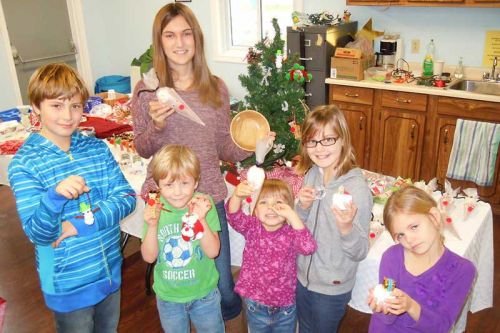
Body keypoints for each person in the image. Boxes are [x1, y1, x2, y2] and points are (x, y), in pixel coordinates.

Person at [131, 3, 251, 320]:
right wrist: (156, 126)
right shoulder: (147, 91)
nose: (180, 43)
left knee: (223, 285)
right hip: (167, 200)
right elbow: (142, 148)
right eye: (170, 35)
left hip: (207, 197)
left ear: (196, 38)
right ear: (160, 42)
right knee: (178, 280)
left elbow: (225, 146)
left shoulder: (216, 88)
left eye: (186, 33)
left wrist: (250, 143)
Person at [7, 63, 136, 332]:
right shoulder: (25, 164)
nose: (67, 115)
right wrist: (53, 198)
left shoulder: (96, 148)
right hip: (67, 283)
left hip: (109, 269)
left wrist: (79, 224)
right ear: (36, 107)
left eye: (75, 106)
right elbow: (39, 234)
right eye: (56, 105)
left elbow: (126, 197)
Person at [294, 105, 373, 332]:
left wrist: (346, 226)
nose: (319, 148)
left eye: (328, 139)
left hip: (332, 286)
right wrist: (302, 207)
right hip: (302, 277)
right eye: (312, 141)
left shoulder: (356, 188)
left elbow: (359, 251)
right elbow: (299, 227)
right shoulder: (312, 174)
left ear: (343, 140)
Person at [368, 186, 476, 333]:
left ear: (434, 217)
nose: (409, 239)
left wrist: (411, 306)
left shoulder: (462, 270)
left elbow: (441, 326)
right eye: (400, 235)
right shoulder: (392, 258)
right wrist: (382, 306)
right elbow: (387, 310)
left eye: (413, 227)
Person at [141, 144, 224, 333]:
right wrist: (152, 225)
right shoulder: (154, 208)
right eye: (169, 185)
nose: (177, 192)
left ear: (196, 182)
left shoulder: (204, 204)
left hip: (204, 295)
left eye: (184, 183)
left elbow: (213, 251)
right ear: (158, 185)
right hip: (169, 297)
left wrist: (201, 219)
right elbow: (149, 257)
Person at [226, 179, 317, 332]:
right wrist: (236, 195)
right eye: (263, 202)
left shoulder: (291, 232)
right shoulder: (252, 227)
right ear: (254, 210)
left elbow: (308, 247)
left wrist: (292, 216)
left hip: (286, 308)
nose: (271, 208)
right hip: (255, 305)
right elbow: (233, 215)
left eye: (279, 203)